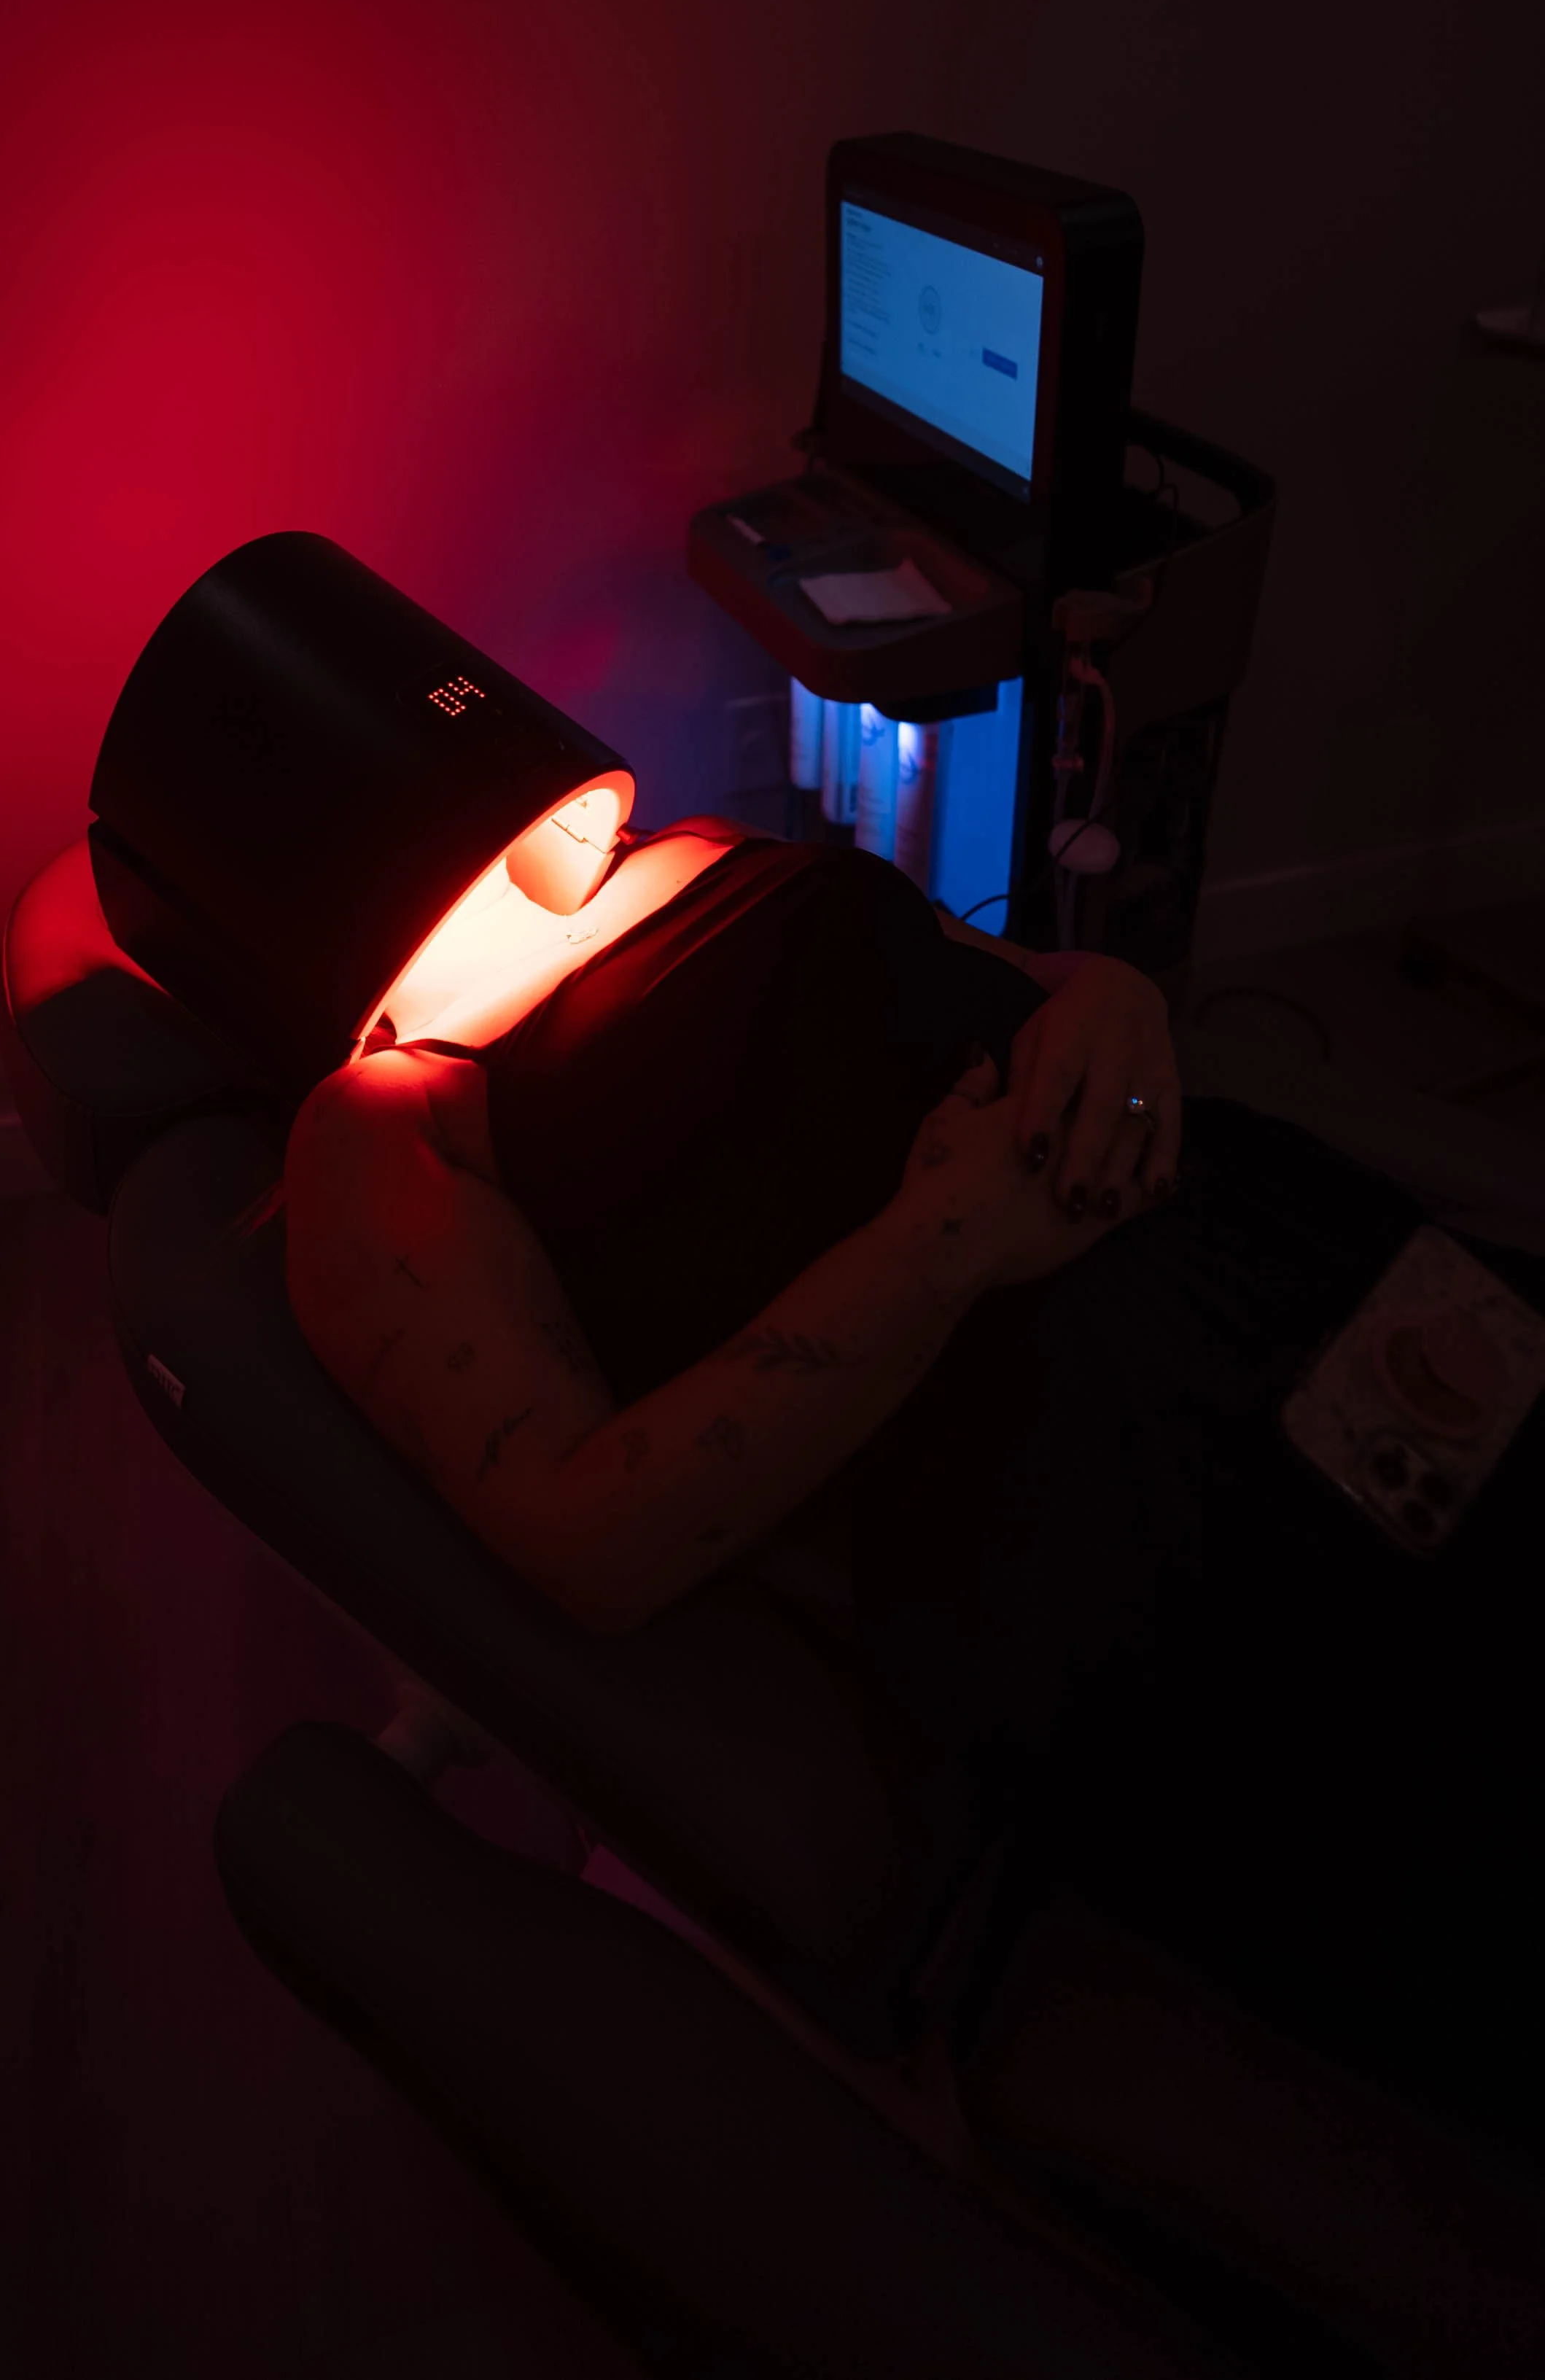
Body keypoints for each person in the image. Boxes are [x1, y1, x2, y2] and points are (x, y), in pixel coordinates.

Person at [286, 814, 1545, 2155]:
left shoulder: (698, 843)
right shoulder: (378, 1118)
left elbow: (1002, 974)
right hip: (1118, 1480)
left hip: (1271, 1245)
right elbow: (586, 1540)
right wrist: (948, 1237)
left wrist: (1106, 999)